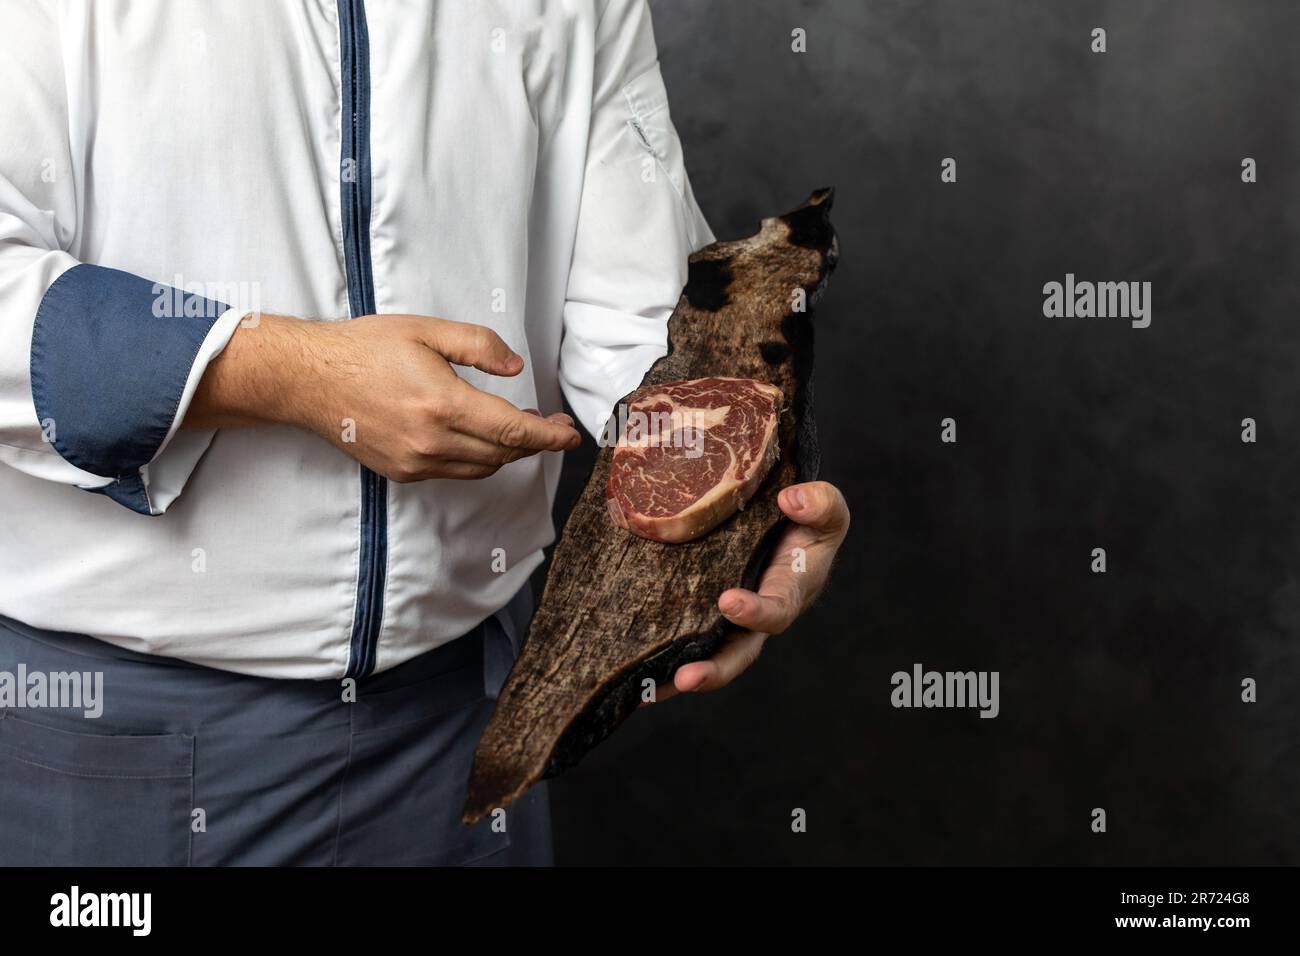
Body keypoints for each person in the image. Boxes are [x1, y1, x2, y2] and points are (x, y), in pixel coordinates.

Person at [0, 0, 849, 865]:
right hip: (118, 739)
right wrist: (289, 373)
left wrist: (752, 513)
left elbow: (640, 319)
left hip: (468, 722)